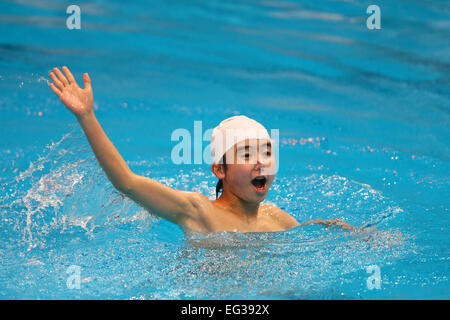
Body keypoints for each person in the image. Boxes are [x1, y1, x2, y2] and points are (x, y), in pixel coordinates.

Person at [48, 66, 354, 233]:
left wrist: (341, 228)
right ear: (220, 169)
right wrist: (86, 116)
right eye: (247, 155)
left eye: (267, 153)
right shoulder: (198, 211)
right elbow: (125, 182)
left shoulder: (276, 220)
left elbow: (307, 234)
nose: (261, 163)